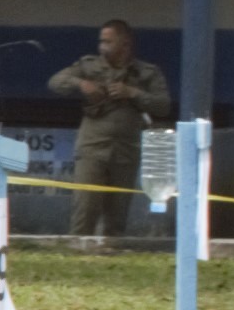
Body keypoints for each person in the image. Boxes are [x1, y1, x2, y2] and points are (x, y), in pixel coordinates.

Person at [53, 20, 169, 243]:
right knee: (85, 208)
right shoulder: (89, 66)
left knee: (117, 214)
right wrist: (80, 84)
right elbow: (56, 82)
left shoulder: (146, 73)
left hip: (126, 151)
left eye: (108, 41)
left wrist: (133, 93)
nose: (102, 46)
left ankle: (111, 255)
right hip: (92, 149)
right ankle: (78, 254)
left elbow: (163, 105)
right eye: (101, 41)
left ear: (125, 44)